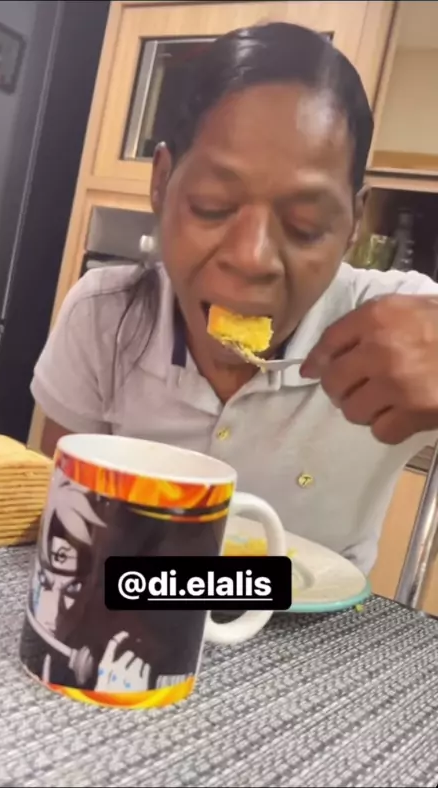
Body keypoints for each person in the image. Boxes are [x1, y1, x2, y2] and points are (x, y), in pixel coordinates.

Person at [31, 22, 438, 576]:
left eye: (305, 225)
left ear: (353, 224)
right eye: (213, 205)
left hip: (323, 630)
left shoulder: (391, 326)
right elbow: (66, 531)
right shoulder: (104, 316)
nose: (252, 258)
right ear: (162, 182)